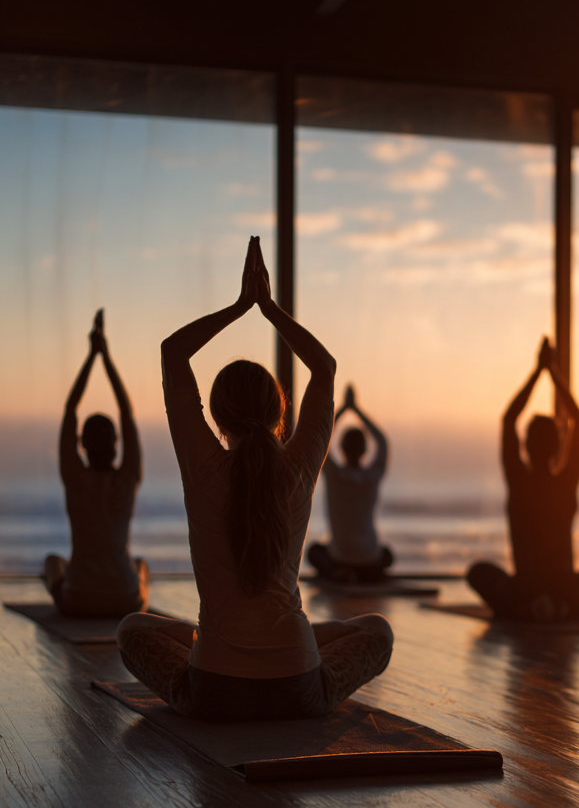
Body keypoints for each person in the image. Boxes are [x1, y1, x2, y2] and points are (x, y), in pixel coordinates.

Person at [115, 237, 393, 722]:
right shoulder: (299, 467)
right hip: (299, 689)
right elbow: (324, 369)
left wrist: (240, 306)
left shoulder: (203, 465)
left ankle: (219, 643)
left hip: (213, 692)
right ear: (279, 411)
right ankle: (292, 642)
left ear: (217, 416)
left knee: (132, 629)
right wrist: (269, 308)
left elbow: (173, 352)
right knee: (377, 631)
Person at [467, 338, 579, 622]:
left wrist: (539, 371)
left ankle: (527, 608)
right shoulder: (565, 483)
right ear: (557, 448)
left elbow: (509, 419)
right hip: (563, 587)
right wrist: (552, 372)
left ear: (525, 446)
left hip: (524, 588)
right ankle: (562, 607)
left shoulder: (519, 480)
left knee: (478, 573)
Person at [45, 310, 149, 617]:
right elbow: (127, 413)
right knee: (140, 564)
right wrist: (106, 357)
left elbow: (70, 409)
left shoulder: (74, 477)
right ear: (117, 443)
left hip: (78, 599)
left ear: (82, 445)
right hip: (124, 601)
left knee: (53, 562)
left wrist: (92, 356)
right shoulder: (128, 478)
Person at [306, 384, 393, 584]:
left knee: (313, 552)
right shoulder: (372, 477)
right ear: (365, 450)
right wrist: (357, 410)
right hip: (369, 557)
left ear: (341, 448)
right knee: (387, 555)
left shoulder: (334, 475)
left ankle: (340, 573)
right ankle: (366, 574)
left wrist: (344, 408)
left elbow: (322, 437)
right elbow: (382, 441)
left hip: (339, 556)